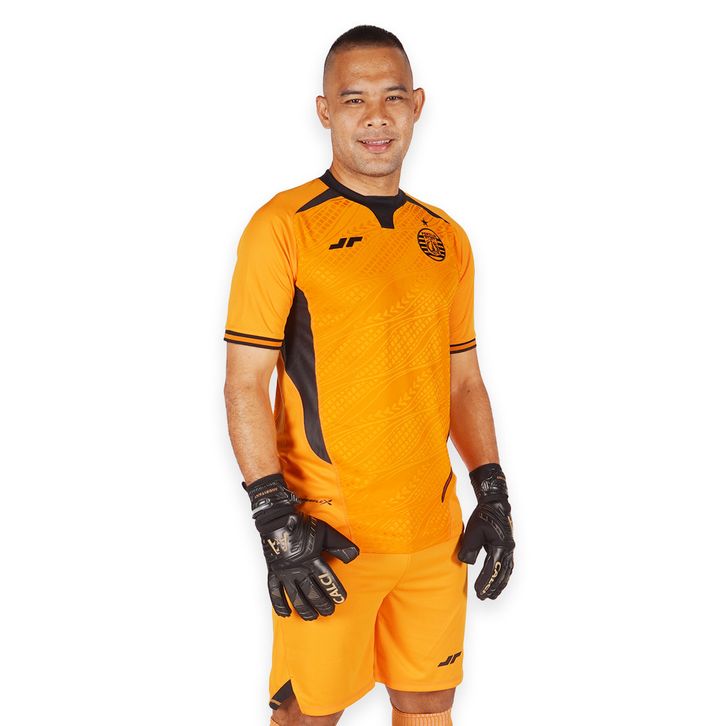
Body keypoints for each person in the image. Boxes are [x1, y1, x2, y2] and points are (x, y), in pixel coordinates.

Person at [223, 24, 515, 726]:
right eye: (354, 99)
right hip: (332, 533)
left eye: (392, 97)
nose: (376, 117)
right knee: (309, 712)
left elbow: (464, 382)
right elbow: (244, 383)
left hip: (433, 530)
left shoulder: (446, 237)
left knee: (429, 706)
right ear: (325, 111)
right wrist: (273, 517)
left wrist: (492, 490)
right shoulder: (283, 226)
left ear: (417, 105)